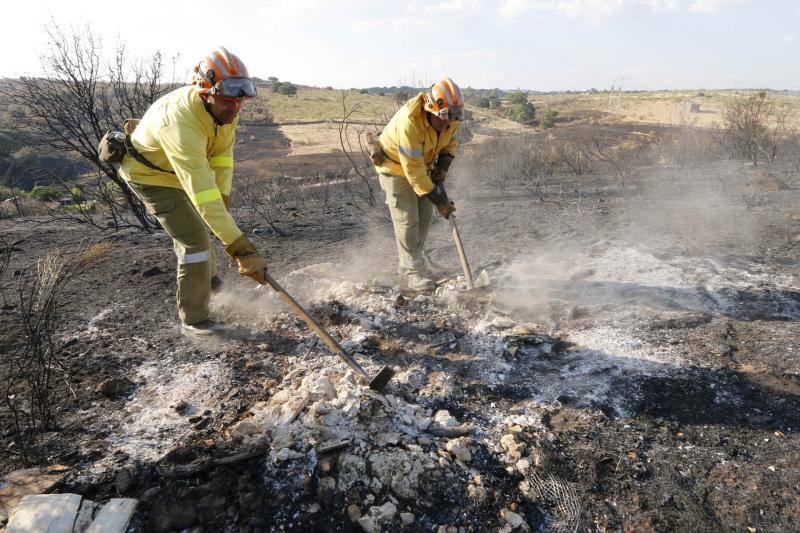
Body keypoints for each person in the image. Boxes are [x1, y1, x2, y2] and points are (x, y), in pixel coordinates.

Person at [118, 47, 268, 335]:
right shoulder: (180, 122)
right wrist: (243, 251)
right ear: (204, 91)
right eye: (227, 101)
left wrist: (223, 201)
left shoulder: (226, 111)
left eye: (240, 102)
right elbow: (201, 191)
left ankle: (208, 283)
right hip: (150, 176)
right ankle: (194, 320)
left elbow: (223, 160)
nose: (235, 109)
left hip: (180, 170)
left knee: (208, 221)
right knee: (195, 243)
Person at [369, 77, 462, 290]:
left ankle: (417, 262)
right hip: (395, 168)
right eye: (445, 117)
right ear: (430, 109)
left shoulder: (449, 116)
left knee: (424, 218)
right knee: (408, 220)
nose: (449, 122)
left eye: (453, 117)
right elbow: (413, 171)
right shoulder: (410, 123)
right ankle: (412, 272)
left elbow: (451, 142)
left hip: (421, 166)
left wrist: (443, 165)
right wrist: (440, 200)